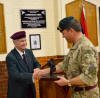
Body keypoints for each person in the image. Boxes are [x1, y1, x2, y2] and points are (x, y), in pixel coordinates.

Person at [35, 16, 99, 98]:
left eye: (63, 33)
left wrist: (68, 82)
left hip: (88, 94)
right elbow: (65, 65)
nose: (63, 36)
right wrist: (43, 71)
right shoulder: (76, 45)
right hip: (78, 93)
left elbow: (90, 76)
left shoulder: (85, 47)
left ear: (71, 30)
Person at [6, 31, 41, 98]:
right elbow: (15, 75)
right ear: (15, 43)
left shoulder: (29, 52)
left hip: (31, 91)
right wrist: (33, 75)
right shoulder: (10, 57)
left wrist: (37, 69)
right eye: (22, 41)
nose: (25, 43)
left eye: (25, 40)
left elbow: (36, 63)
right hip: (18, 93)